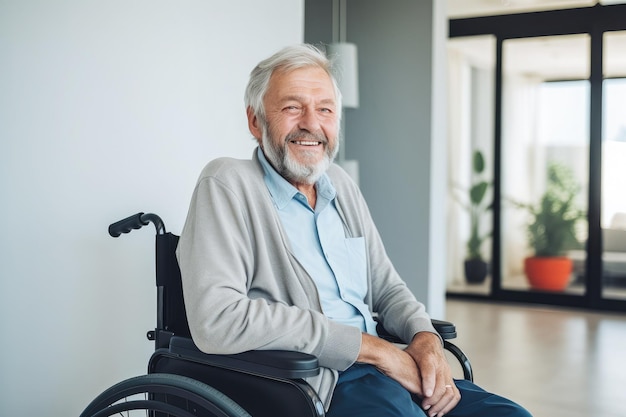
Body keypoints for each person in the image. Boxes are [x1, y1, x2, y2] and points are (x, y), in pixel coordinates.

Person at [177, 44, 532, 417]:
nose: (311, 123)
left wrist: (425, 338)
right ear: (255, 120)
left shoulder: (339, 184)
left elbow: (387, 288)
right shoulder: (227, 183)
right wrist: (372, 349)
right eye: (292, 107)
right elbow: (217, 319)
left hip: (390, 369)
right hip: (316, 384)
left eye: (325, 109)